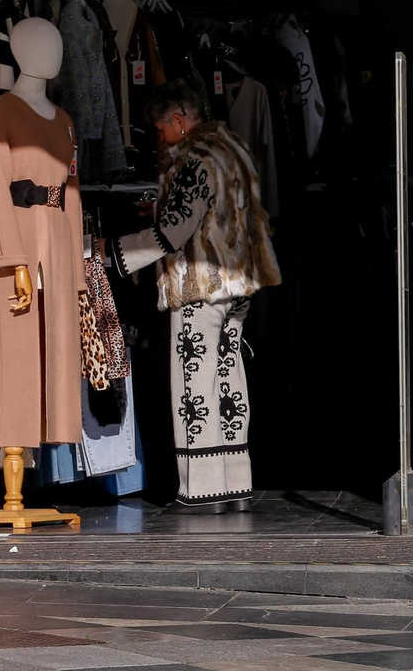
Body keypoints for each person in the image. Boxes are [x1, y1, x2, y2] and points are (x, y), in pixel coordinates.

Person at [105, 79, 281, 511]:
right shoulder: (232, 148)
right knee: (229, 377)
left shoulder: (193, 161)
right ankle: (235, 482)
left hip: (200, 283)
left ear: (180, 121)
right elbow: (221, 210)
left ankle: (202, 489)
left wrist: (112, 254)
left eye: (162, 129)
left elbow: (173, 233)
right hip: (237, 283)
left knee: (193, 382)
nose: (160, 139)